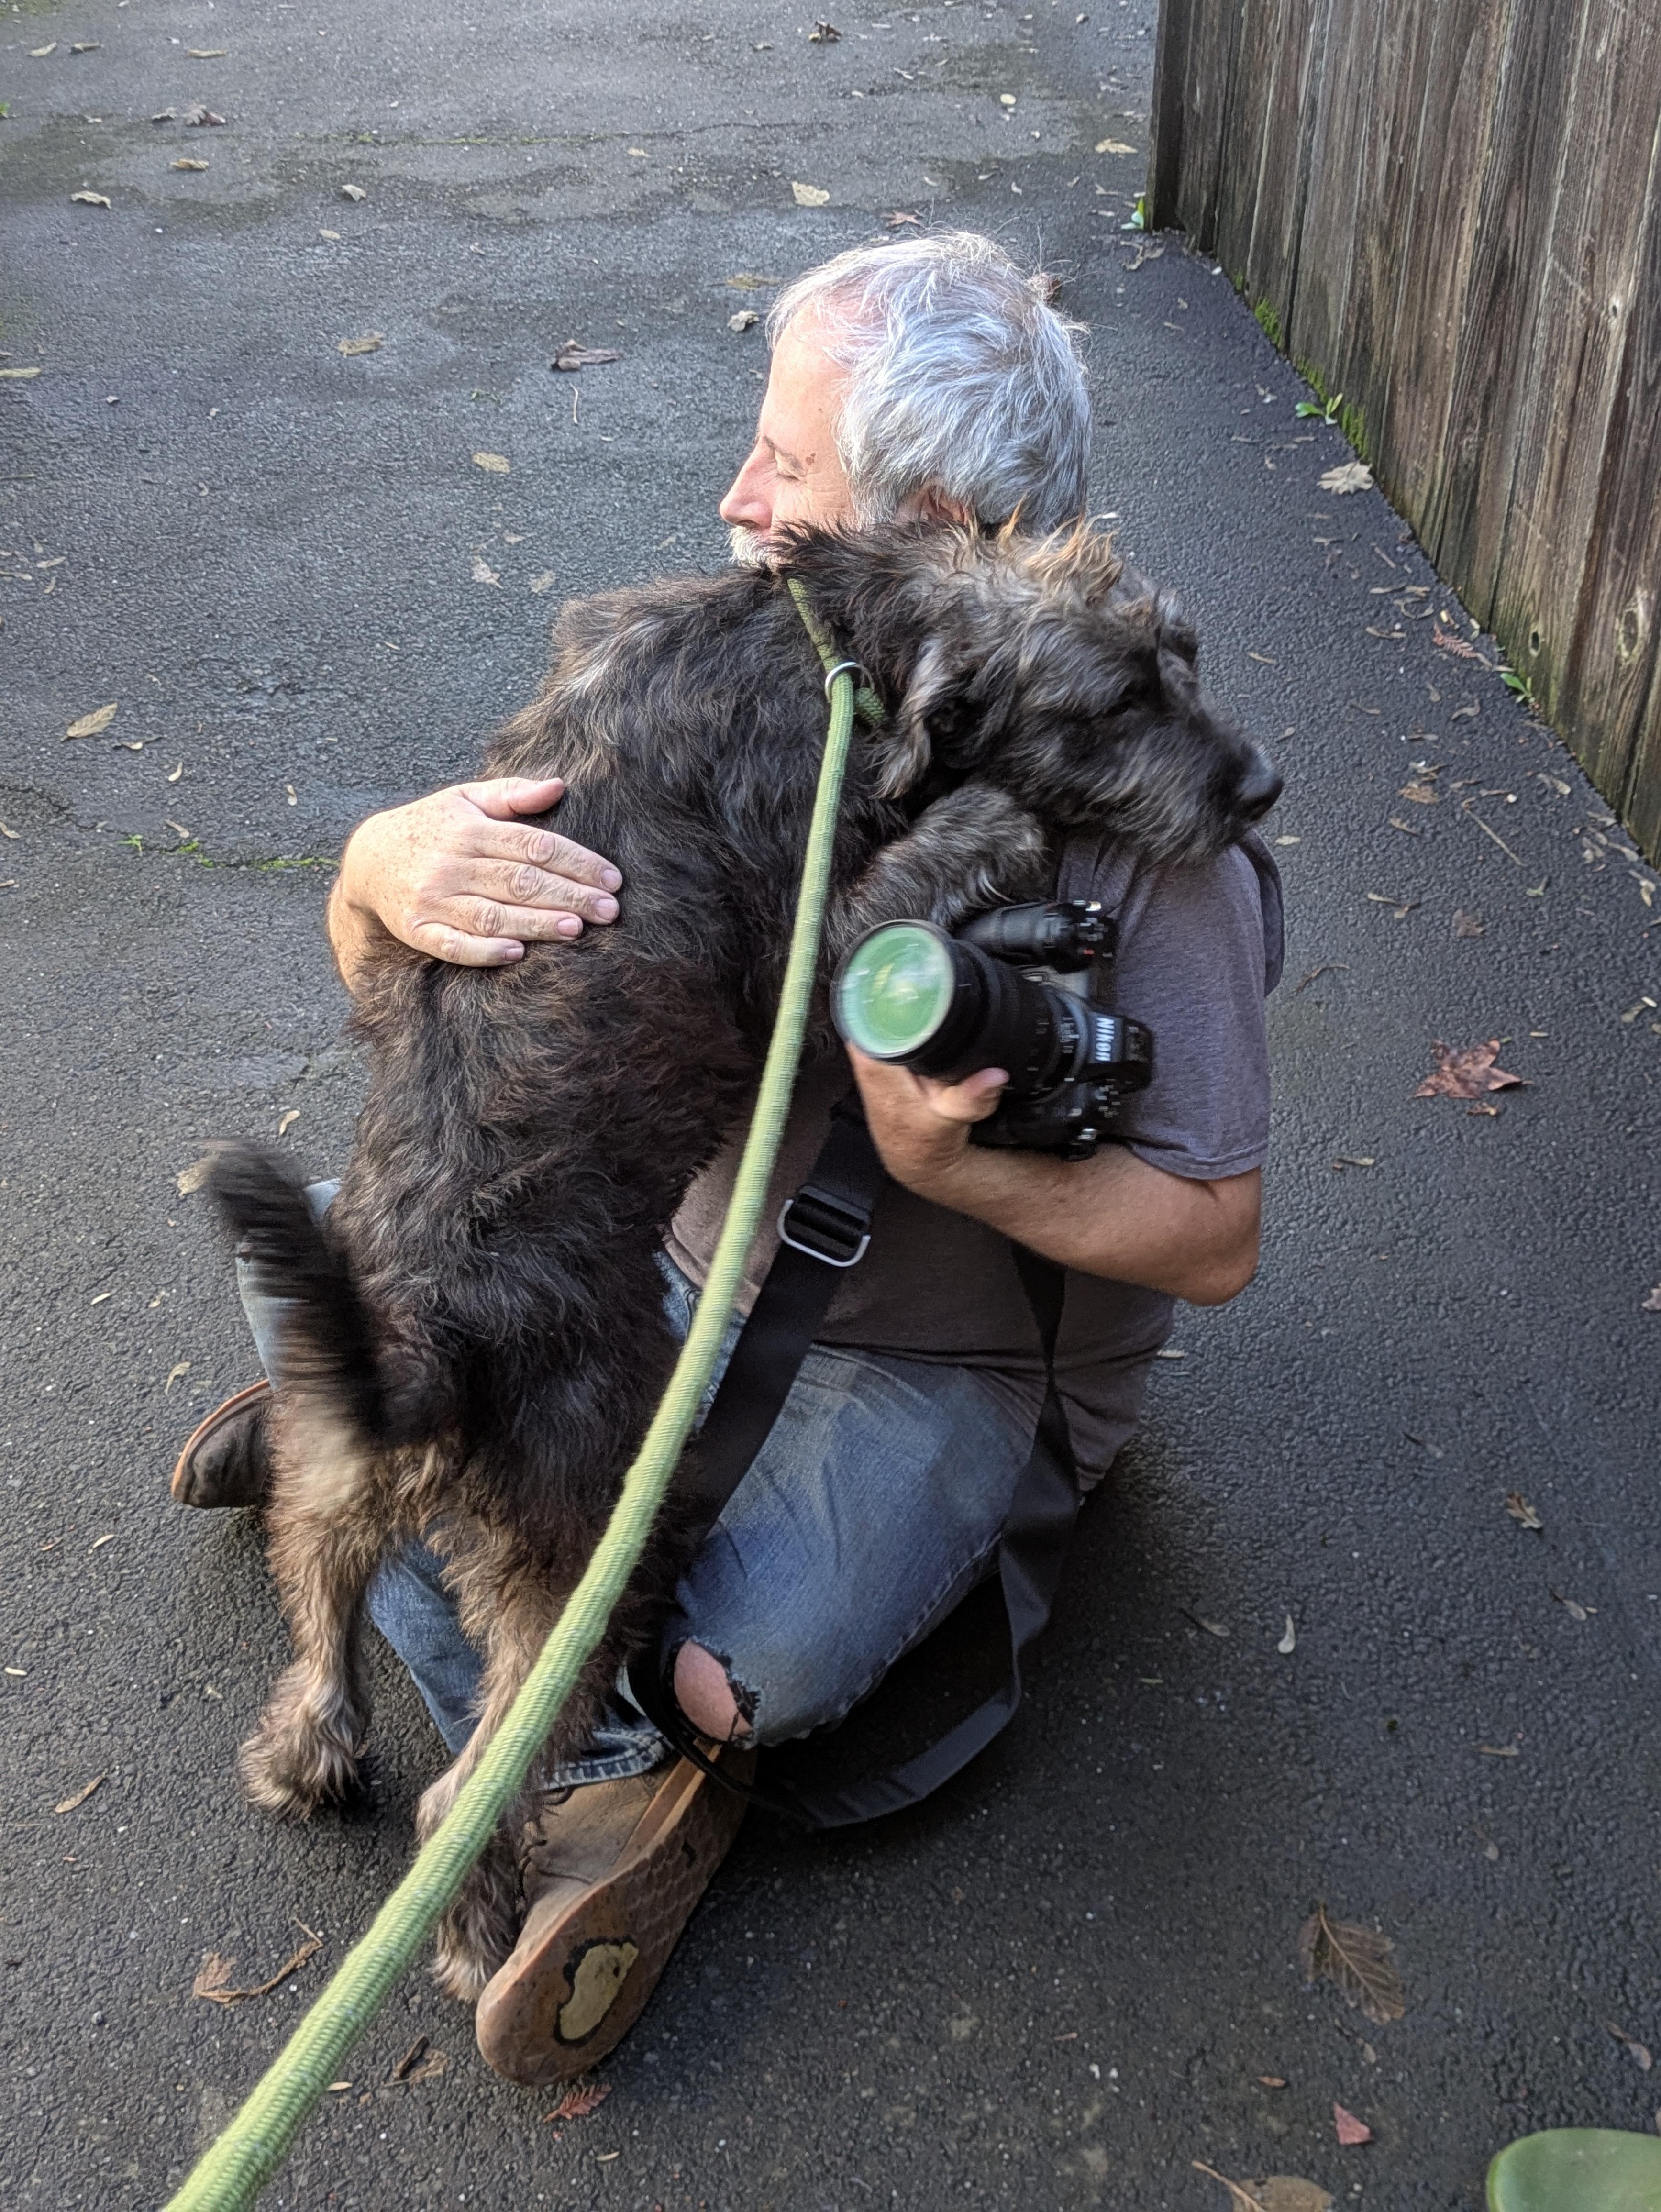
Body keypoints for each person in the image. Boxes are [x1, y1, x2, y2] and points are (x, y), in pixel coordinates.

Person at [170, 232, 1282, 2084]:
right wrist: (373, 872)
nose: (735, 492)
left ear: (919, 513)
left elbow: (1215, 1237)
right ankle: (471, 1587)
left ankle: (456, 1587)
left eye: (783, 460)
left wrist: (975, 1173)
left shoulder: (1136, 816)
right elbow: (437, 1026)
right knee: (449, 1350)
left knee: (718, 1670)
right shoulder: (716, 681)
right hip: (644, 1266)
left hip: (936, 1351)